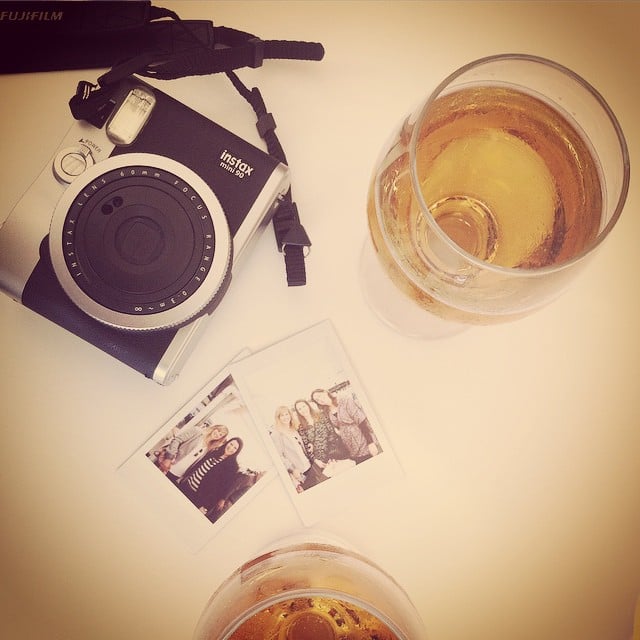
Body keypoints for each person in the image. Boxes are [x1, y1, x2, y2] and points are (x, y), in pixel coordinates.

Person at [179, 437, 244, 517]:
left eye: (235, 448)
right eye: (231, 444)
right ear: (228, 443)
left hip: (197, 497)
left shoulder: (233, 467)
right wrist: (184, 477)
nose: (231, 448)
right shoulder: (215, 452)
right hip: (186, 485)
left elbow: (221, 489)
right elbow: (198, 465)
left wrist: (206, 506)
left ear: (237, 451)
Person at [311, 388, 379, 463]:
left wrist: (370, 443)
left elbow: (361, 421)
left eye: (319, 396)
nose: (320, 400)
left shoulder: (345, 400)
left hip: (362, 440)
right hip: (350, 446)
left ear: (325, 392)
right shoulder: (327, 411)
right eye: (317, 400)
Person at [294, 398, 349, 488]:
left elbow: (332, 434)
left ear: (308, 406)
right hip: (321, 460)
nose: (302, 410)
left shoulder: (321, 416)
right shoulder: (301, 427)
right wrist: (316, 461)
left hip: (334, 454)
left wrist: (332, 455)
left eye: (303, 406)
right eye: (299, 409)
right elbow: (306, 447)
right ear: (298, 412)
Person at [156, 423, 229, 482]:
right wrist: (168, 458)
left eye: (221, 435)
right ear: (214, 428)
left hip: (177, 474)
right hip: (167, 464)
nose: (218, 434)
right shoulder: (197, 431)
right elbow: (177, 440)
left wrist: (183, 477)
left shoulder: (209, 448)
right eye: (218, 431)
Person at [270, 406, 311, 492]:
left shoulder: (293, 429)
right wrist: (292, 469)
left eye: (287, 414)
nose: (285, 417)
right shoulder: (276, 434)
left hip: (308, 465)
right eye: (282, 415)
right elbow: (279, 456)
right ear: (278, 418)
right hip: (299, 472)